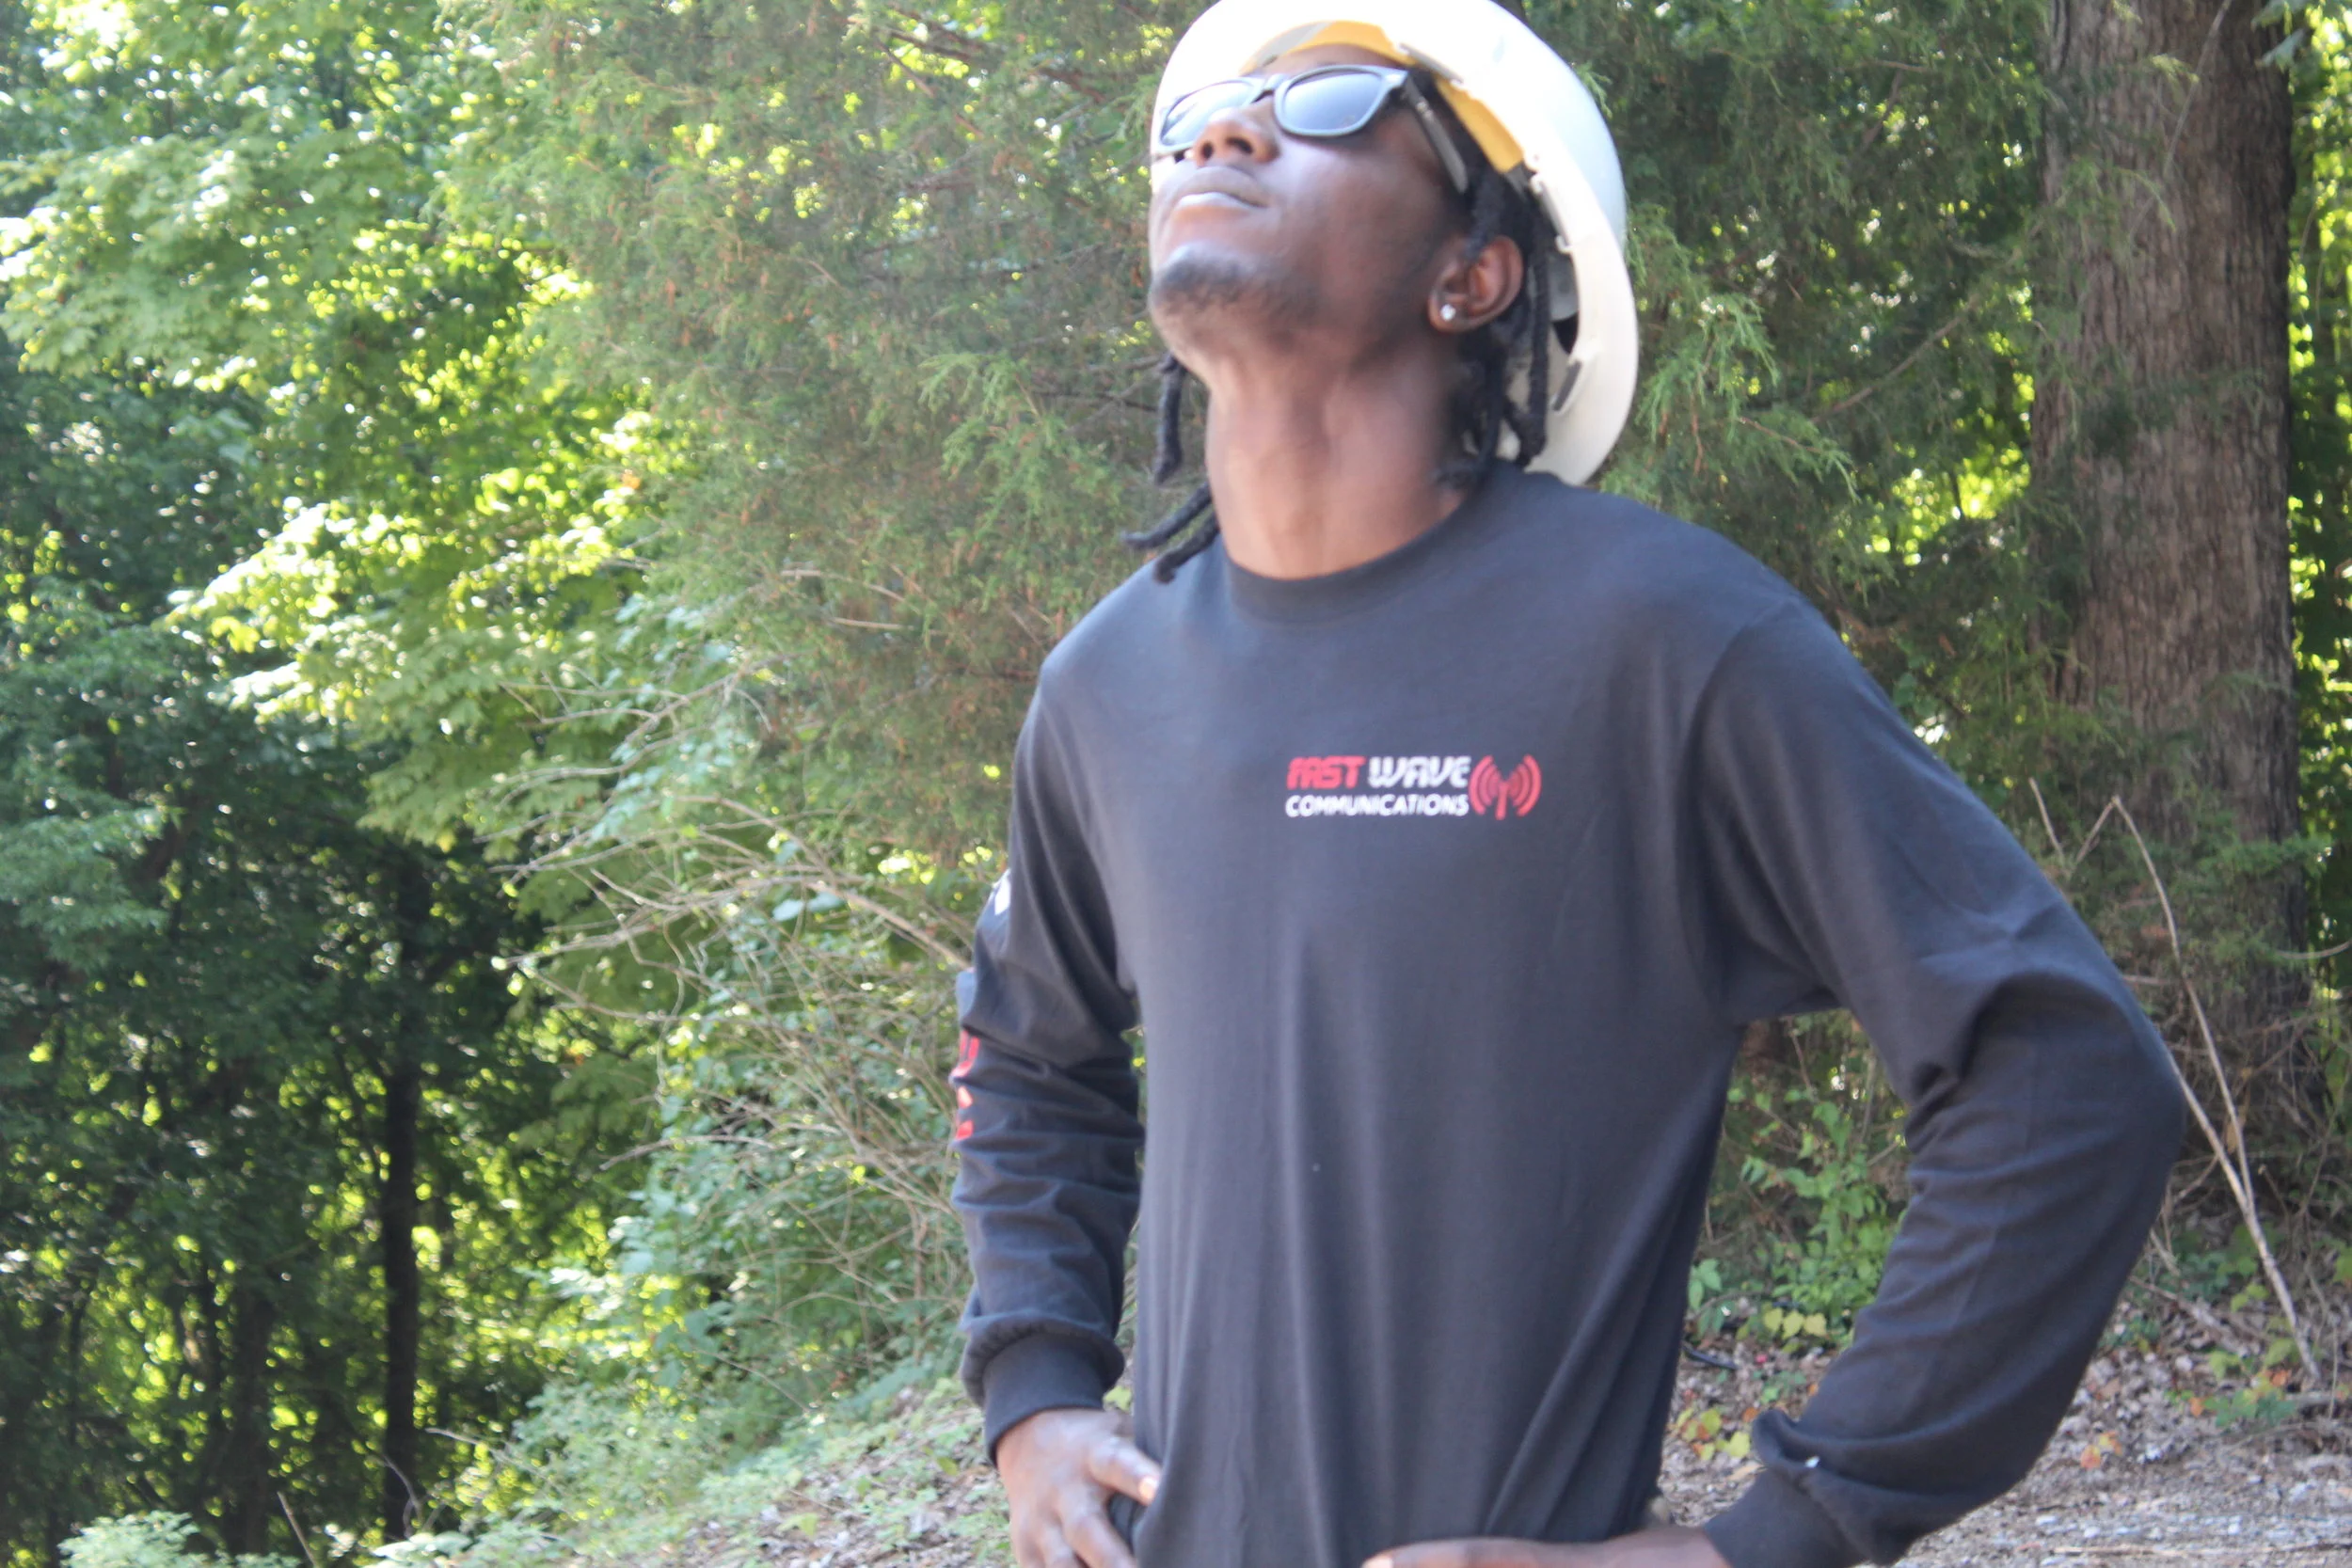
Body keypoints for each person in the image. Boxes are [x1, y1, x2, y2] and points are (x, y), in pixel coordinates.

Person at [947, 4, 2185, 1566]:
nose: (1227, 129)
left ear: (1474, 273)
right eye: (1198, 116)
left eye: (1329, 101)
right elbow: (1030, 1055)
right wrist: (1036, 1385)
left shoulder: (1660, 639)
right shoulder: (1106, 689)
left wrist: (1774, 1537)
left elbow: (2062, 1074)